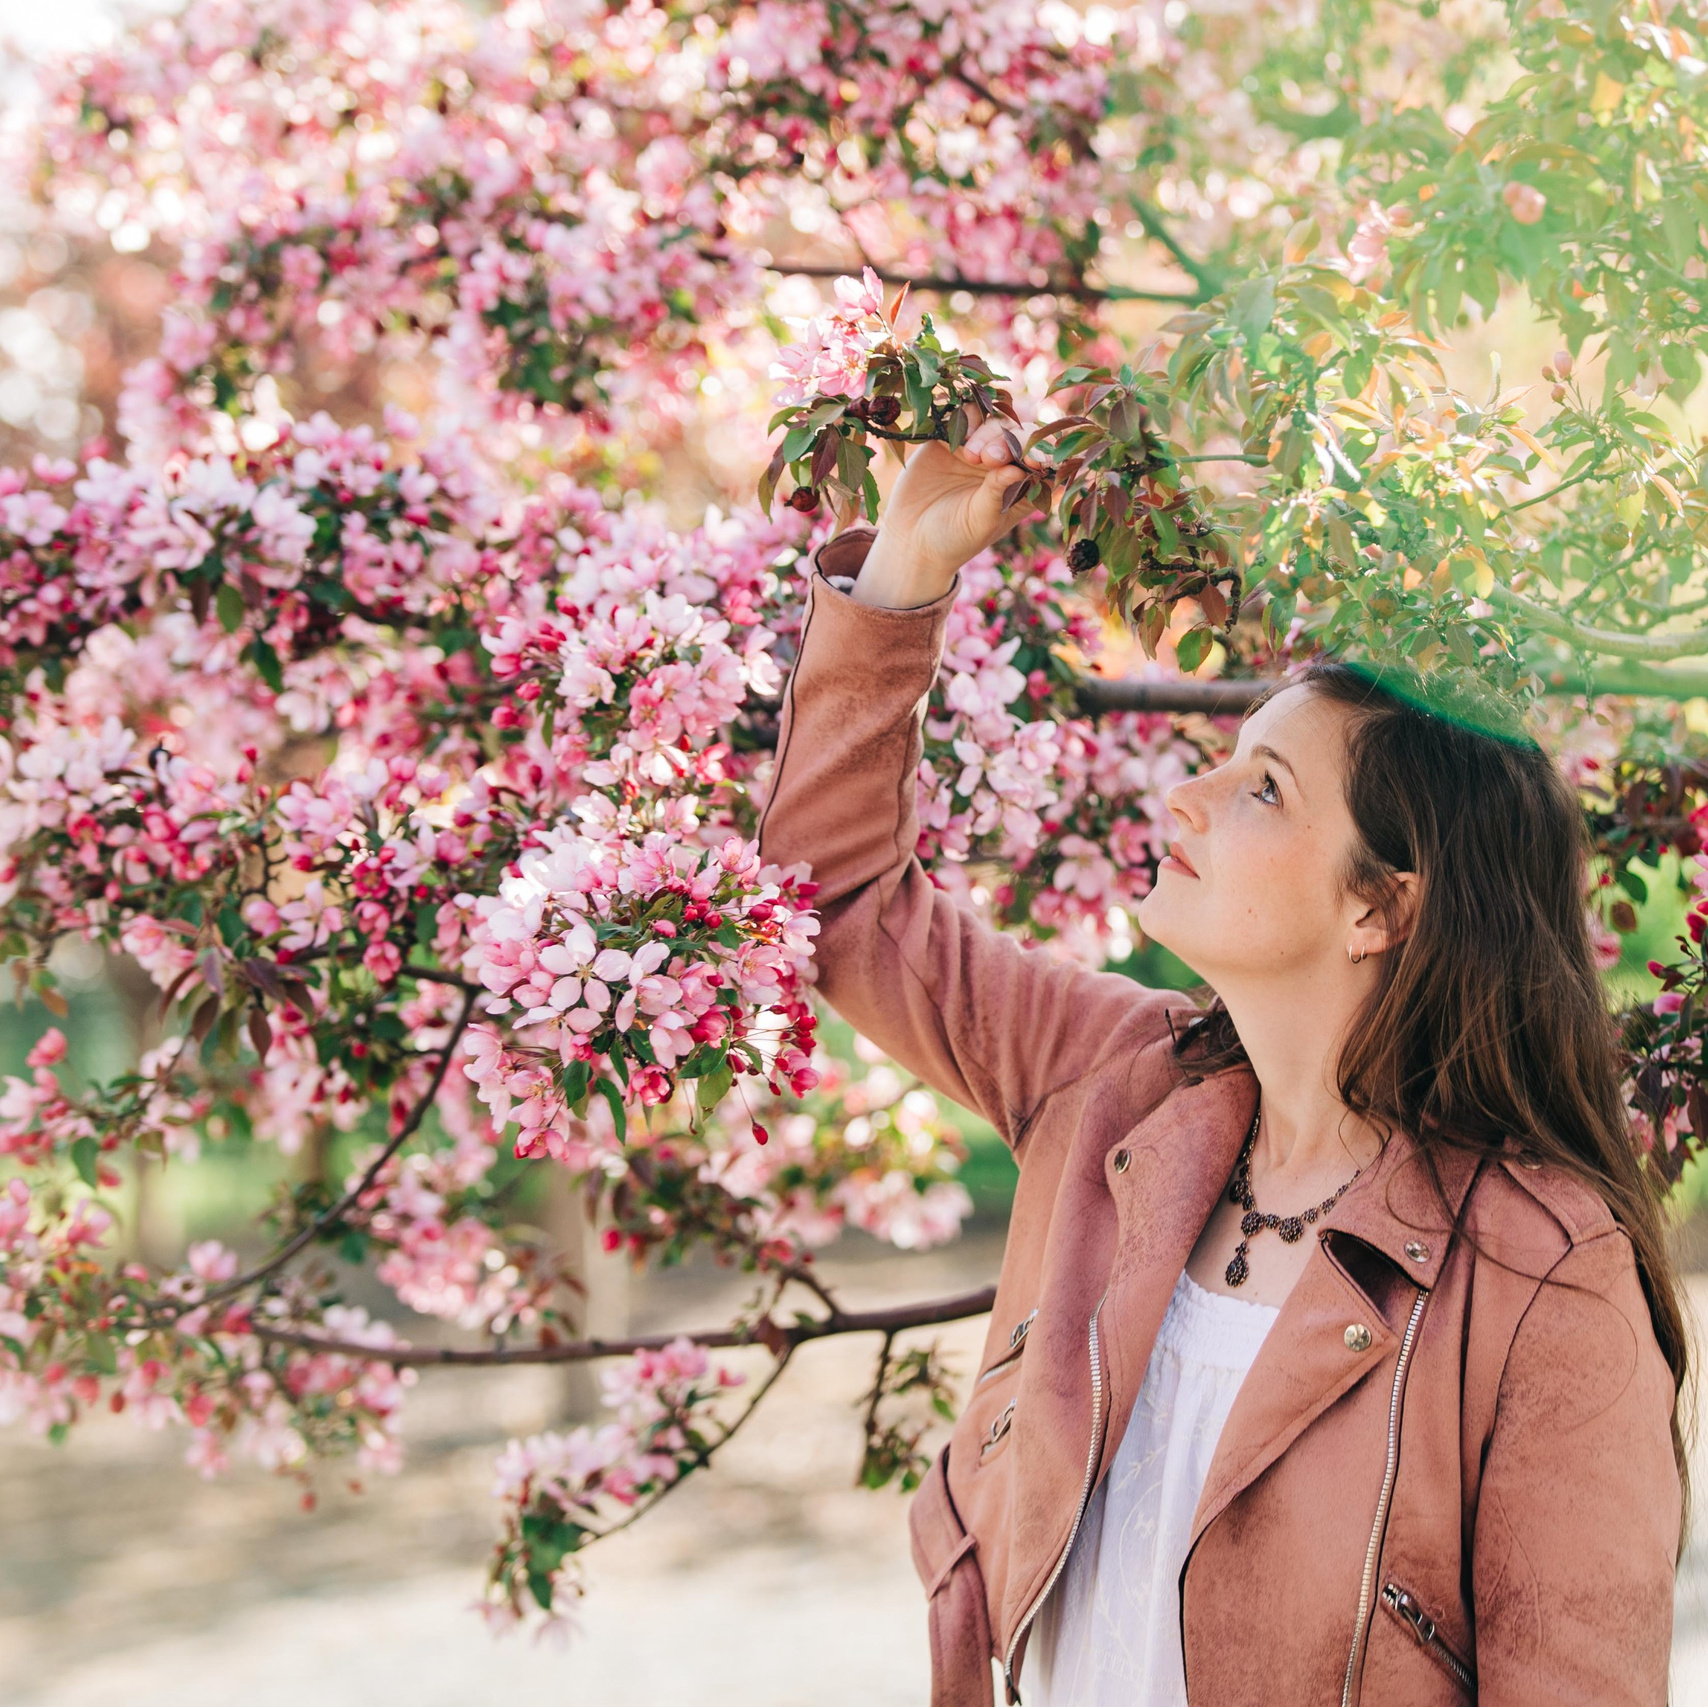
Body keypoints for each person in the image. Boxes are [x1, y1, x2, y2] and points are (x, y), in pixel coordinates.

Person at [755, 410, 1690, 1706]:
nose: (1182, 798)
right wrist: (902, 575)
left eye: (1262, 789)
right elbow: (838, 901)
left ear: (1384, 908)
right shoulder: (1108, 1083)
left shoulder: (1545, 1275)